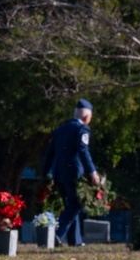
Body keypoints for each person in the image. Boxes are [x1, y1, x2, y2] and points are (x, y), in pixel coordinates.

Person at [42, 99, 100, 246]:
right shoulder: (82, 129)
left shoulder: (61, 129)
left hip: (58, 174)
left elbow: (49, 153)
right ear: (87, 117)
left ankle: (75, 240)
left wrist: (45, 174)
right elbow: (83, 151)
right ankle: (58, 234)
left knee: (70, 205)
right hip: (74, 173)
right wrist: (92, 172)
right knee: (75, 205)